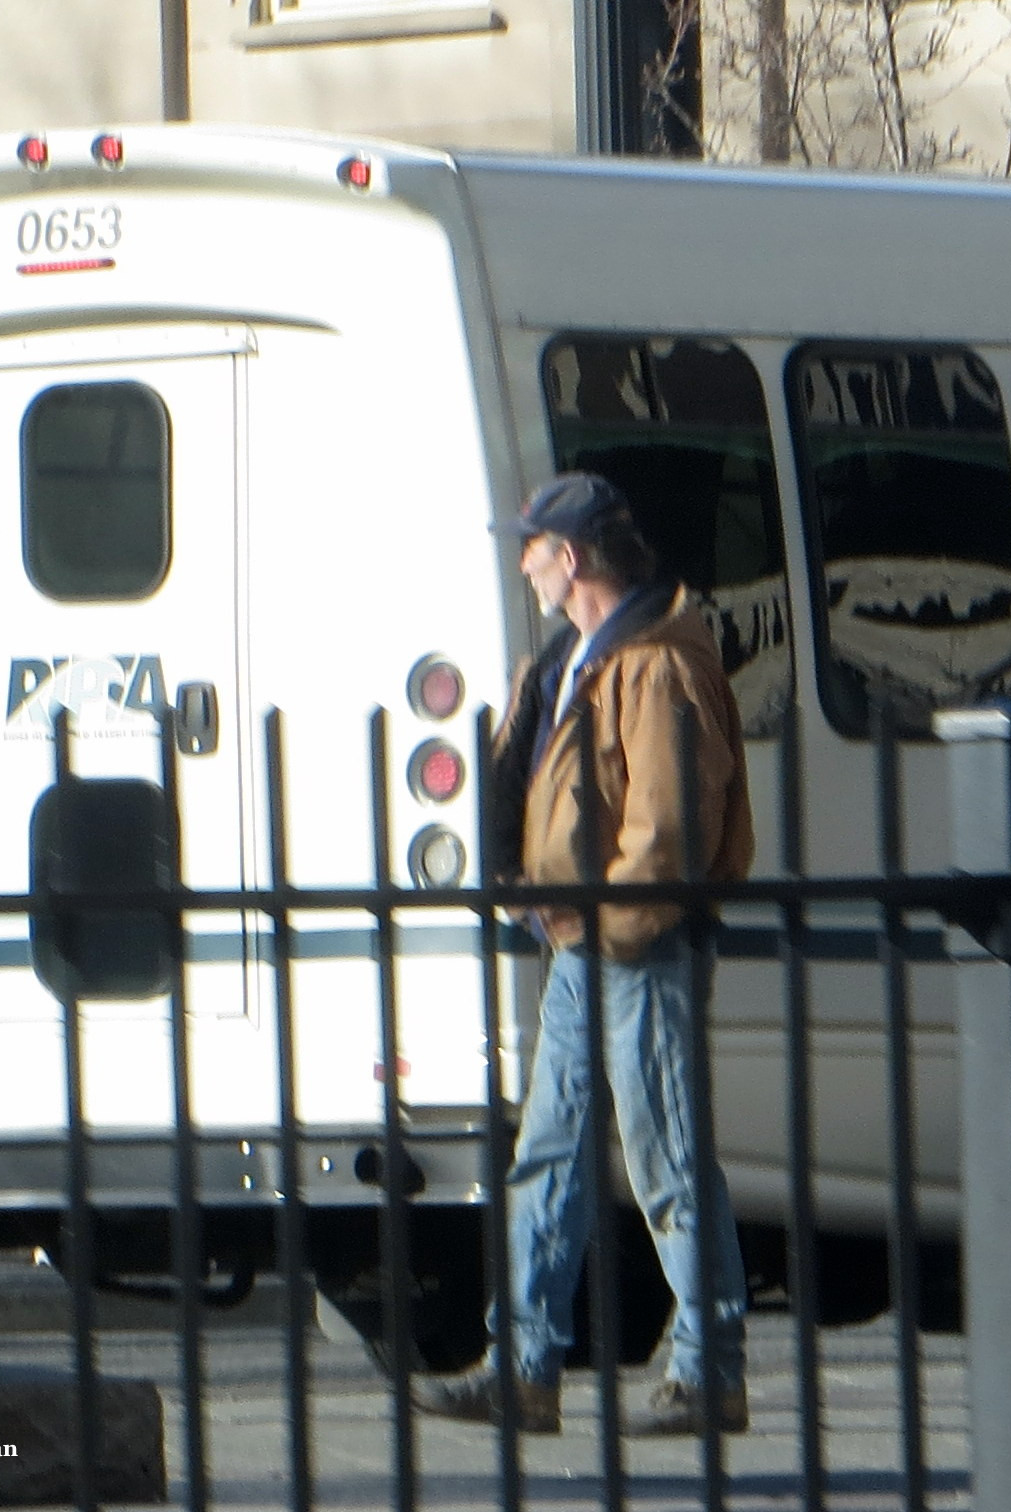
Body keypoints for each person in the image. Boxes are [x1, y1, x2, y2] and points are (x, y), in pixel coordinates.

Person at [415, 472, 757, 1439]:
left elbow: (670, 829)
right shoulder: (584, 654)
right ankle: (521, 1367)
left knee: (667, 1158)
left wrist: (611, 927)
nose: (522, 563)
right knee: (551, 1154)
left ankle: (708, 1371)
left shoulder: (653, 662)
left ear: (571, 559)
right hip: (585, 942)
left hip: (635, 943)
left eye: (532, 548)